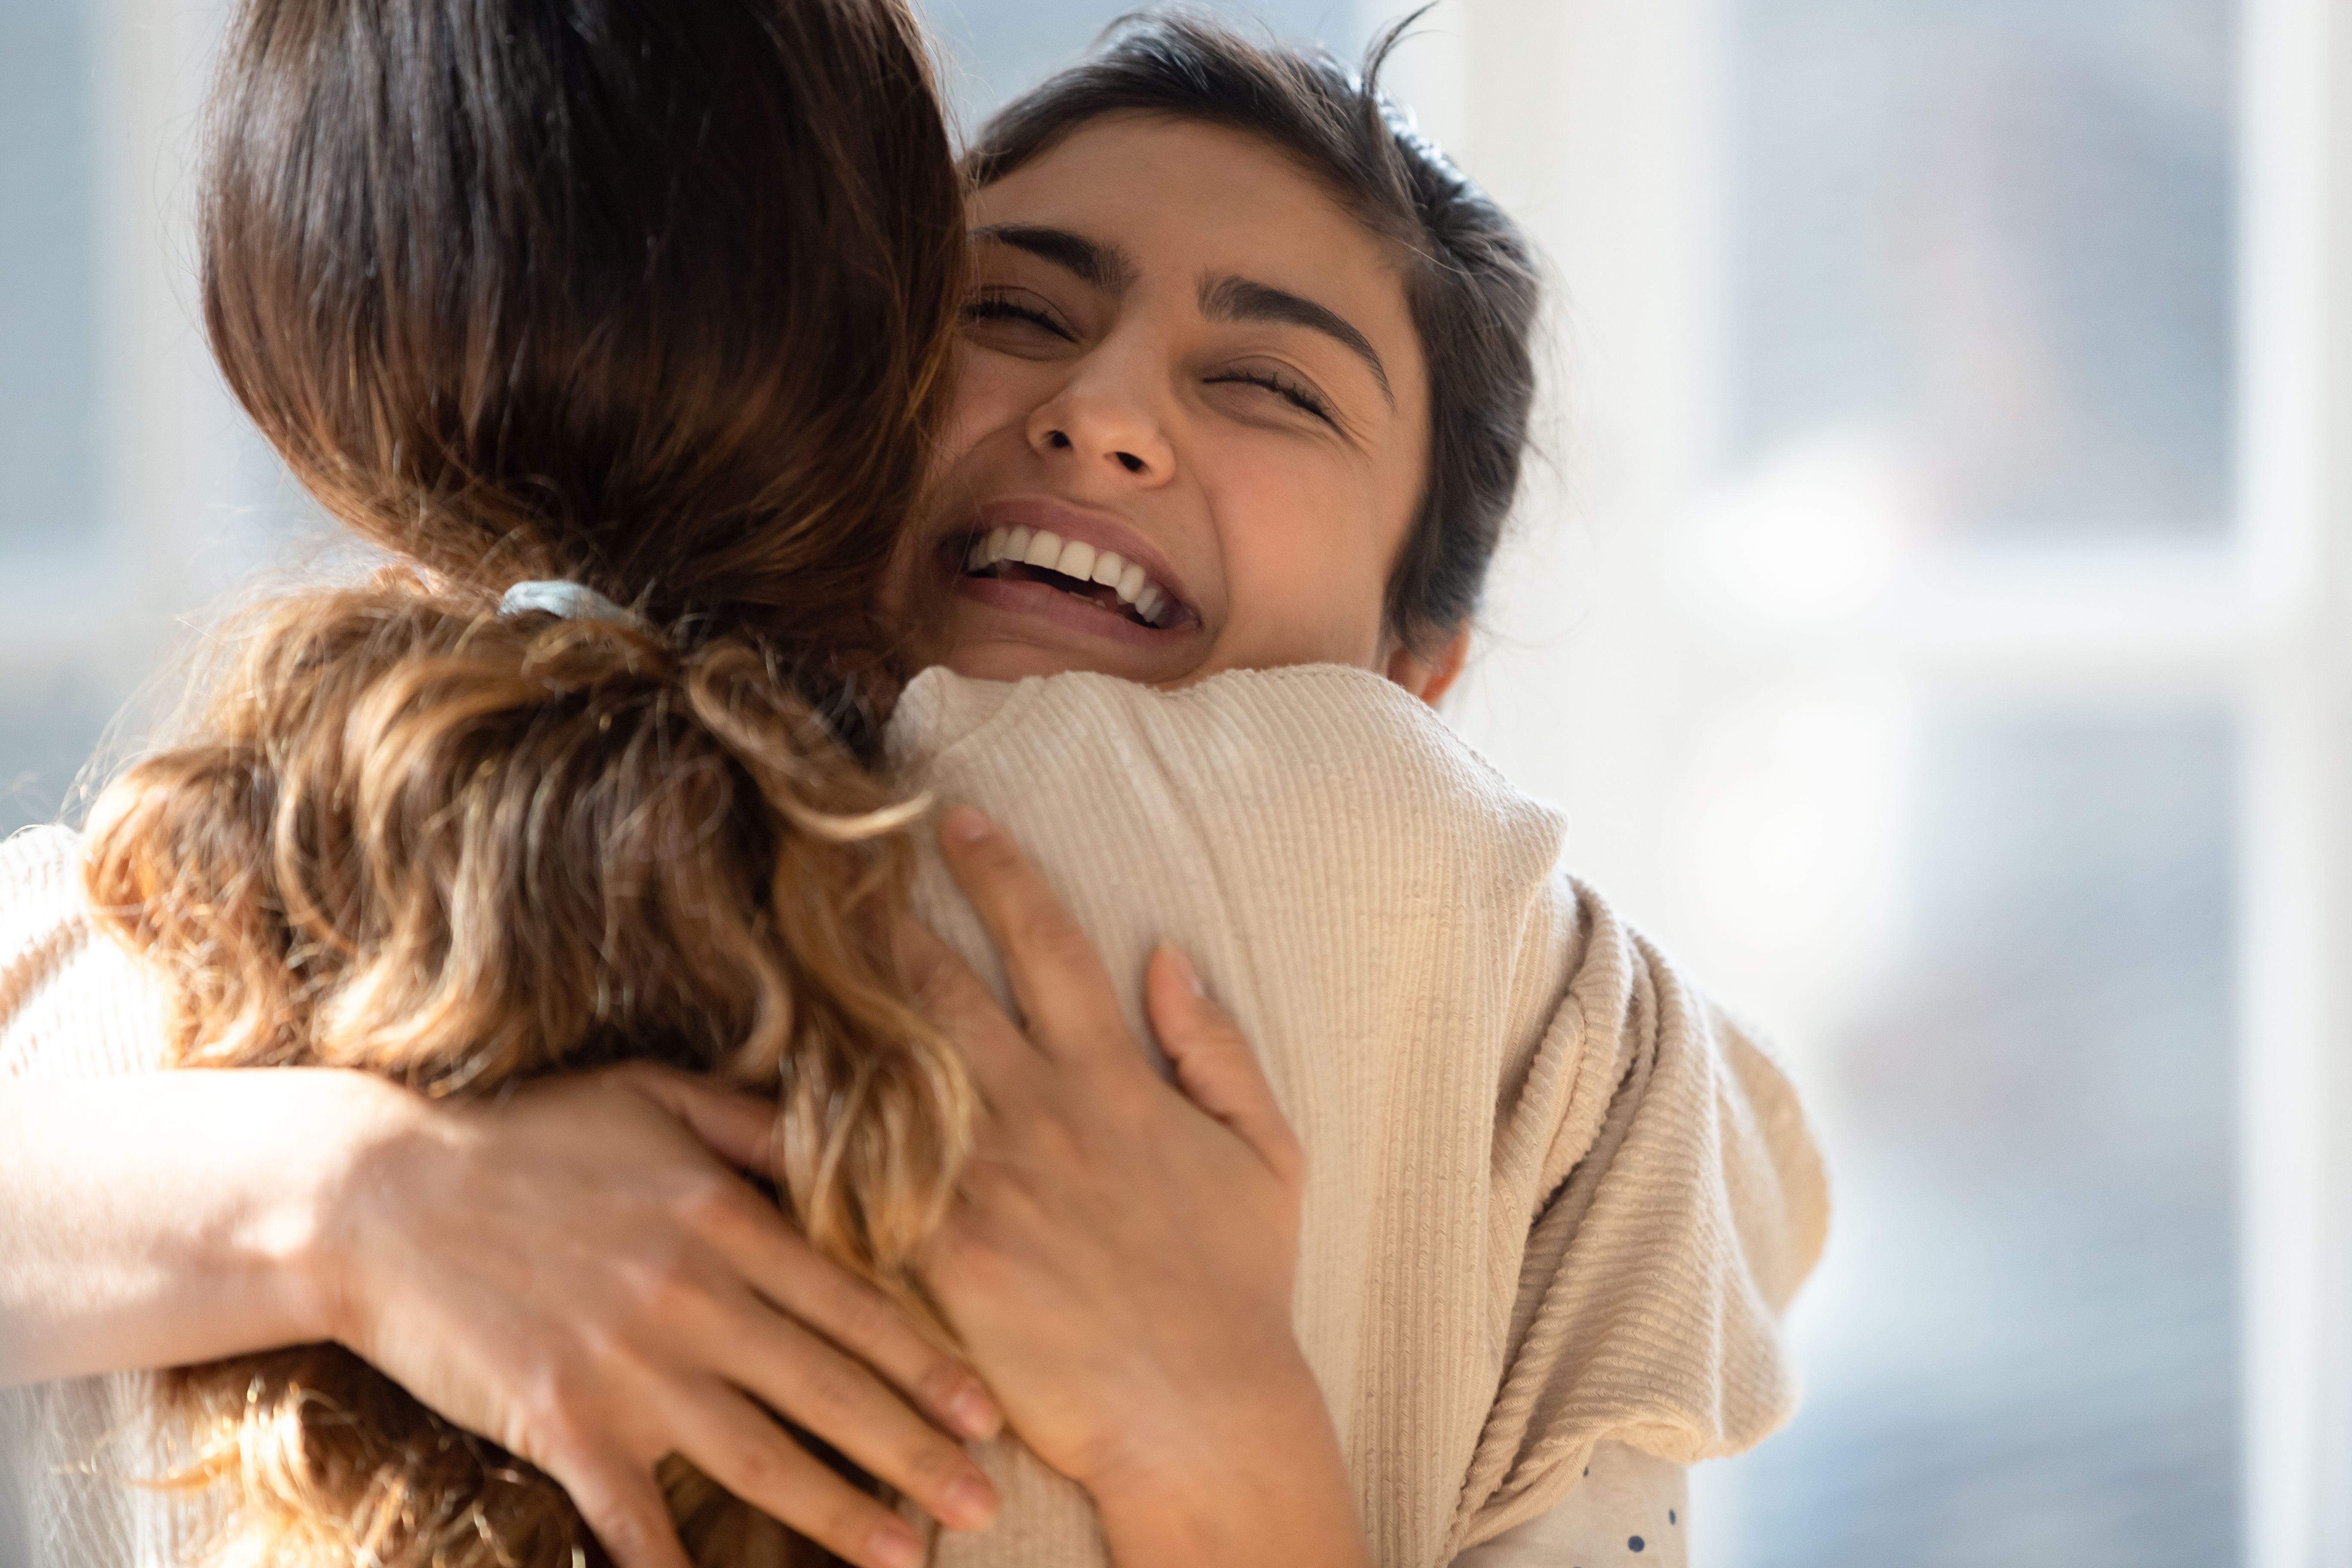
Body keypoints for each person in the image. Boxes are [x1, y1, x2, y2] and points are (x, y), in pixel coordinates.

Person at [0, 9, 1826, 1568]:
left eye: (1267, 382)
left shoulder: (1550, 1055)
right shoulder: (268, 859)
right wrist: (351, 1196)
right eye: (1016, 313)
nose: (1104, 411)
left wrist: (1220, 1437)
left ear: (1424, 667)